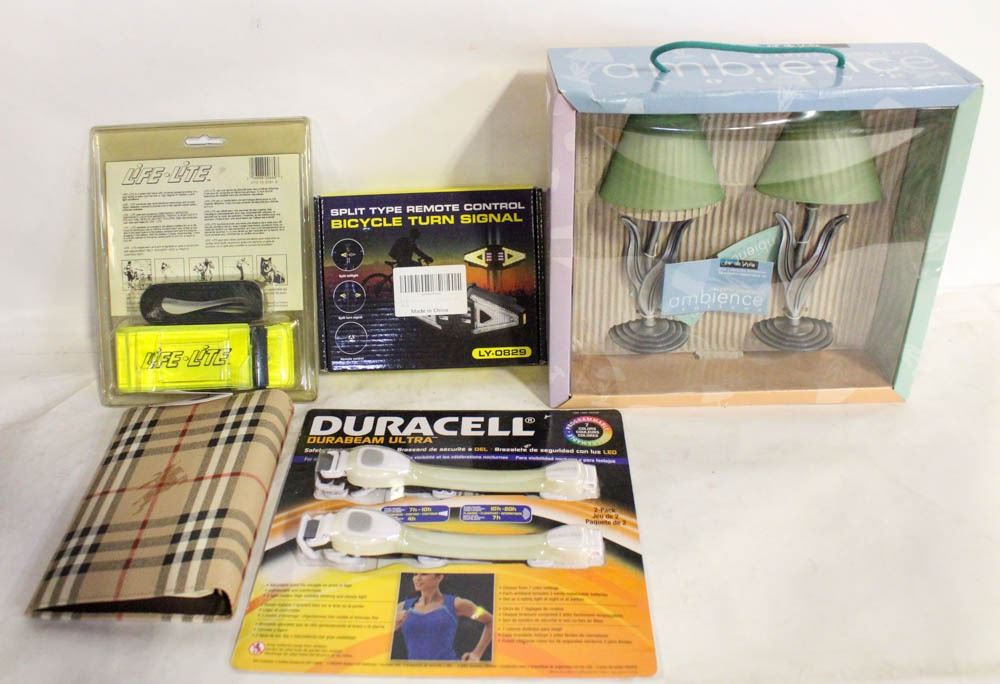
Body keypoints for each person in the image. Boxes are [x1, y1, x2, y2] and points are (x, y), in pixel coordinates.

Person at [394, 573, 492, 662]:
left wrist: (476, 654)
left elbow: (489, 621)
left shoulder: (456, 604)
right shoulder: (402, 607)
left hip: (450, 671)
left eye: (424, 574)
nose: (417, 578)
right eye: (415, 574)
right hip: (415, 673)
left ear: (439, 577)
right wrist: (394, 625)